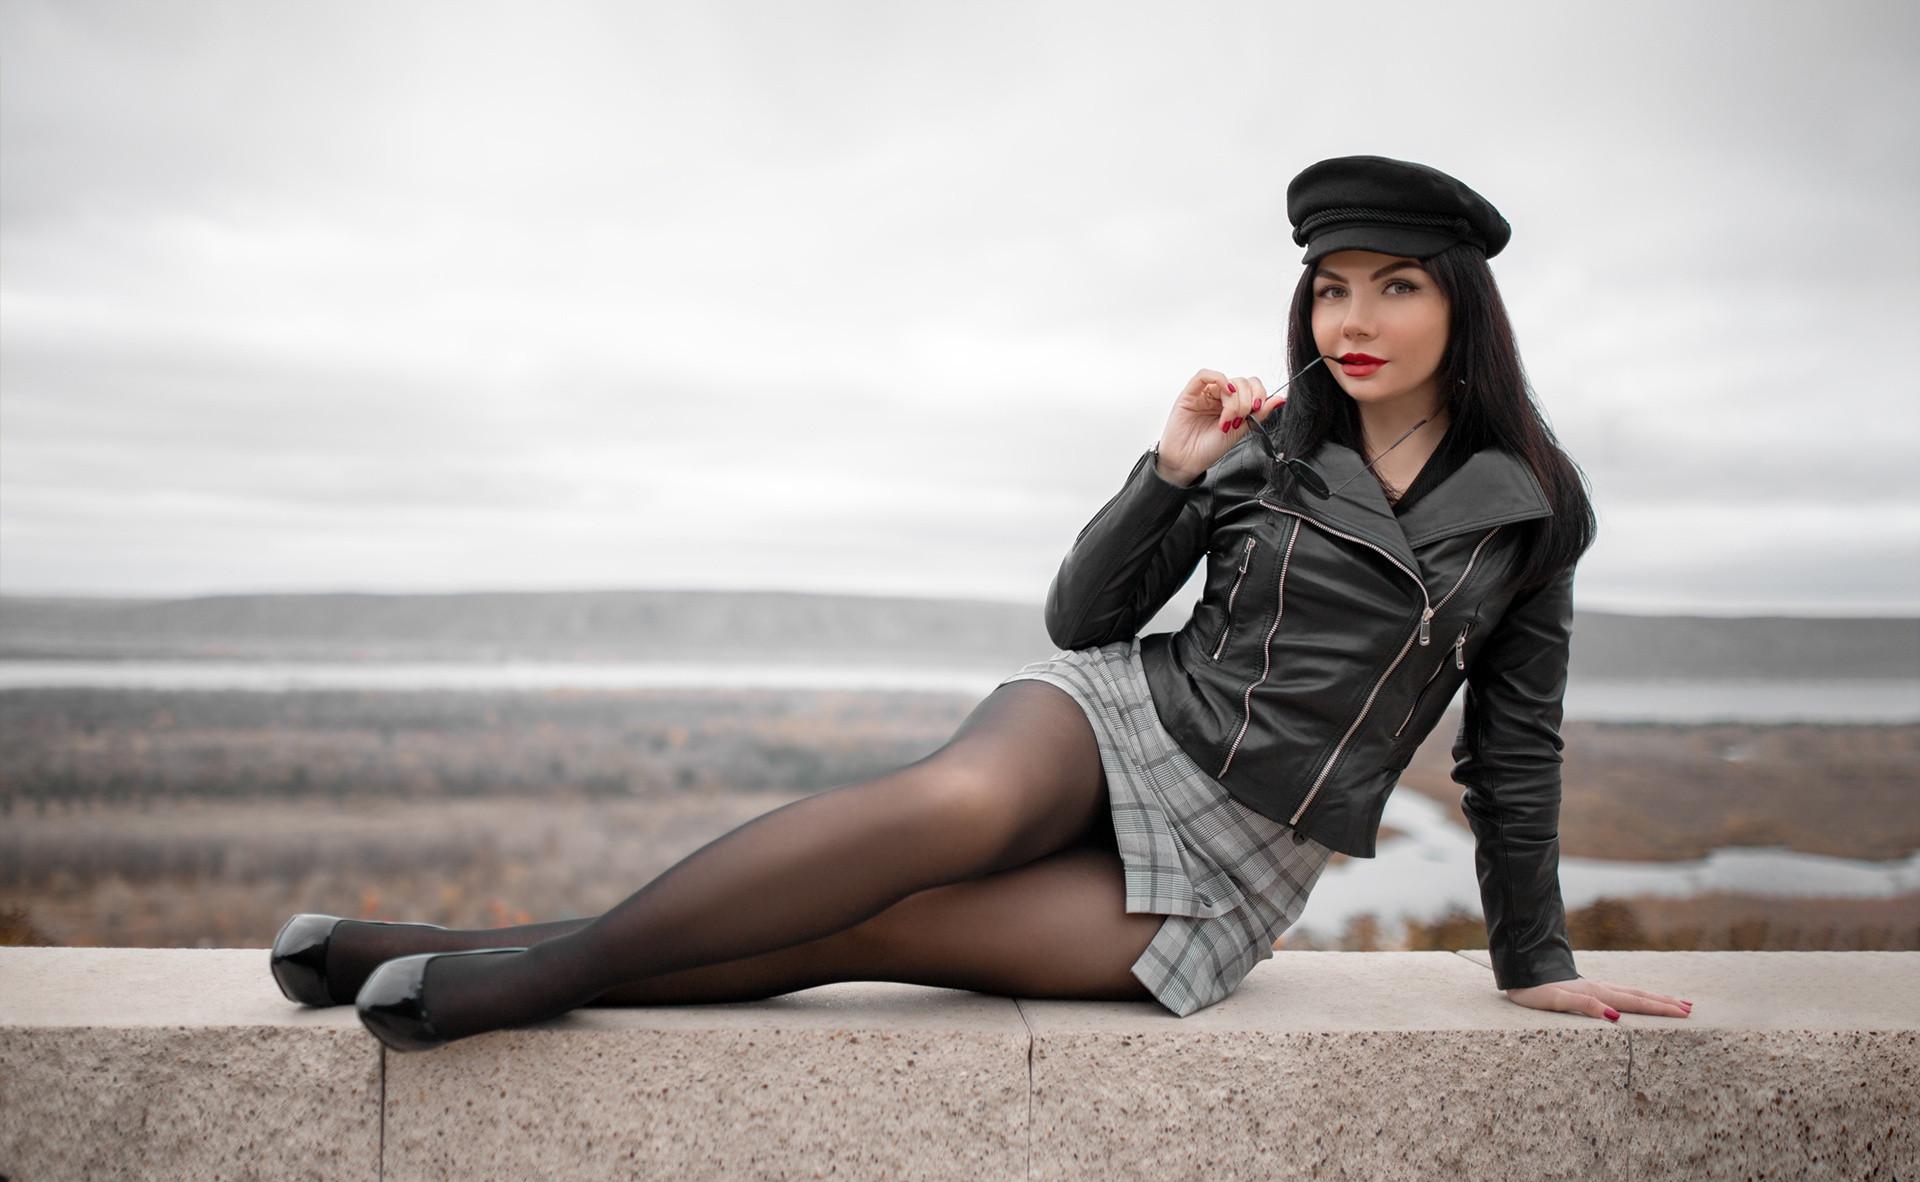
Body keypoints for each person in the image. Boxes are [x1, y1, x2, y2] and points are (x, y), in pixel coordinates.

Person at [270, 154, 1693, 1050]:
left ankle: (438, 958)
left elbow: (1515, 749)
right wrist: (1168, 471)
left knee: (873, 933)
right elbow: (1085, 618)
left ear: (1459, 305)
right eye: (1331, 290)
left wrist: (1533, 959)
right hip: (1122, 720)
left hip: (1245, 854)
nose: (1355, 322)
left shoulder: (1530, 505)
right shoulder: (1264, 446)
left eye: (1394, 289)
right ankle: (520, 988)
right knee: (942, 812)